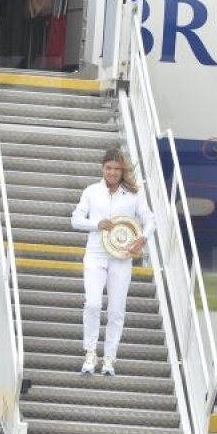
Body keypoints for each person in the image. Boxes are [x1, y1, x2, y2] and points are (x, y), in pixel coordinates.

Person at [69, 148, 154, 376]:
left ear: (122, 170)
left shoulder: (134, 194)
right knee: (93, 304)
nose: (113, 172)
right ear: (102, 168)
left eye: (117, 169)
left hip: (121, 258)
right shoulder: (91, 191)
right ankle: (90, 353)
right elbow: (76, 219)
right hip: (95, 255)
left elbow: (149, 218)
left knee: (116, 310)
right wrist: (96, 223)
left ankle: (109, 358)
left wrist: (142, 238)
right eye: (109, 168)